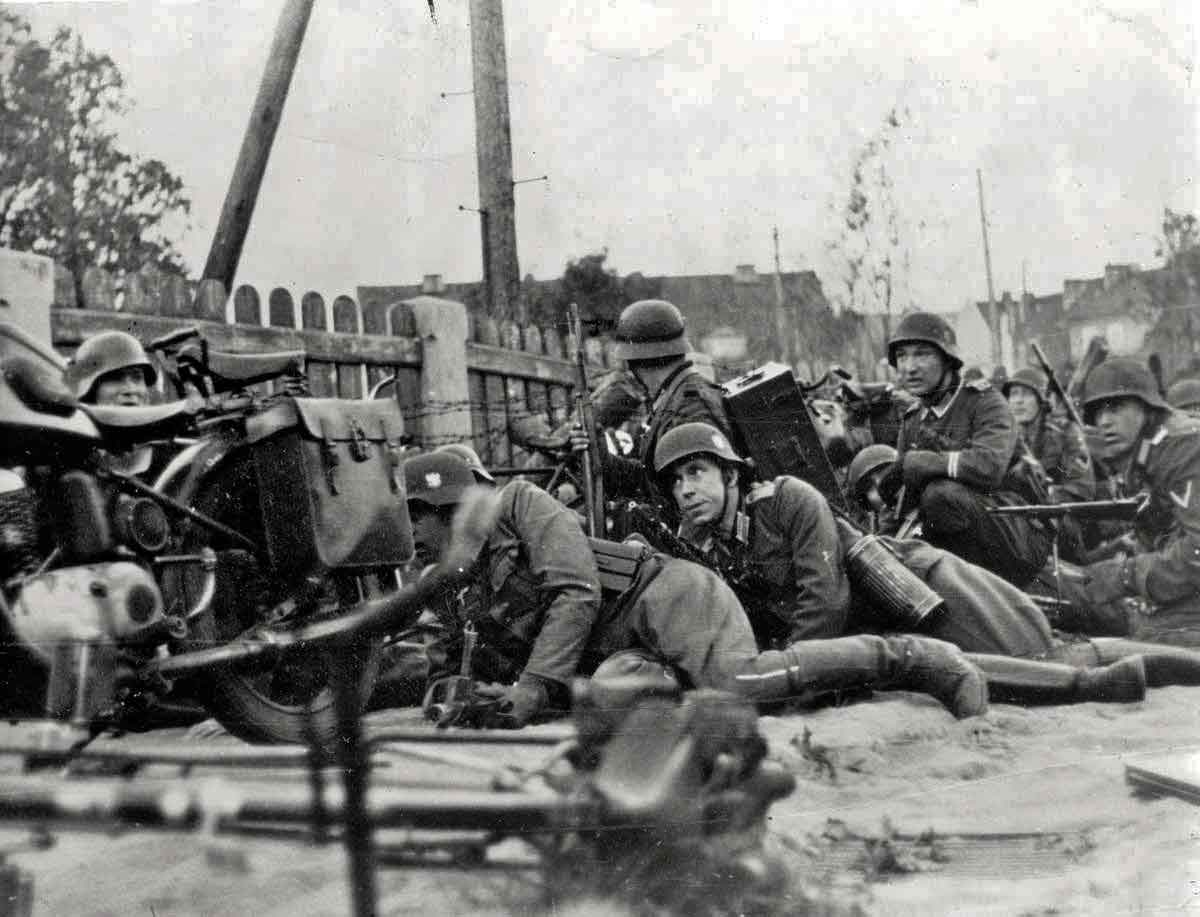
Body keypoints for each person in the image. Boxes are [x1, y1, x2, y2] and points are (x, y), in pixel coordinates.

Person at [405, 451, 991, 724]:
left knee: (741, 684)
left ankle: (912, 658)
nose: (414, 535)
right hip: (620, 651)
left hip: (666, 601)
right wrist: (449, 689)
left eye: (421, 517)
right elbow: (440, 658)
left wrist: (533, 686)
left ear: (453, 508)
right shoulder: (444, 577)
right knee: (622, 708)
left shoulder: (522, 506)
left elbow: (576, 592)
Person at [654, 421, 1200, 706]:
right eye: (676, 482)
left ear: (731, 474)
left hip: (921, 590)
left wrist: (795, 675)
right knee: (1005, 678)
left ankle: (1179, 665)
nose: (686, 490)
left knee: (1049, 654)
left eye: (697, 472)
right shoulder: (711, 549)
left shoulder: (787, 501)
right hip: (888, 627)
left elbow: (825, 600)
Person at [882, 311, 1052, 586]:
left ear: (947, 360)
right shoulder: (913, 419)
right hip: (968, 529)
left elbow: (989, 466)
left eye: (922, 354)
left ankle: (973, 589)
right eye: (902, 356)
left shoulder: (985, 402)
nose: (909, 367)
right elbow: (904, 499)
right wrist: (882, 546)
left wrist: (924, 462)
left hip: (1021, 533)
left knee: (940, 496)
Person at [1063, 358, 1200, 644]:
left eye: (1116, 407)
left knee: (1147, 643)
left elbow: (1196, 552)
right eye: (1098, 411)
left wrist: (1127, 574)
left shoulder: (1184, 449)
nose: (1104, 421)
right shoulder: (1146, 450)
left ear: (1147, 407)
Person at [571, 299, 733, 516]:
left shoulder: (687, 406)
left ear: (635, 362)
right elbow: (656, 479)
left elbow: (677, 495)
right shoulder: (679, 395)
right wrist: (601, 457)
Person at [62, 330, 174, 480]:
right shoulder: (70, 461)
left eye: (137, 377)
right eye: (115, 378)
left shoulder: (172, 459)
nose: (130, 389)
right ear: (89, 392)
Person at [1003, 367, 1095, 503]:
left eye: (1026, 394)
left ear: (1041, 400)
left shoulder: (1066, 433)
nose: (1018, 401)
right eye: (1014, 394)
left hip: (1056, 512)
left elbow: (1082, 489)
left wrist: (1045, 489)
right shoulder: (1006, 437)